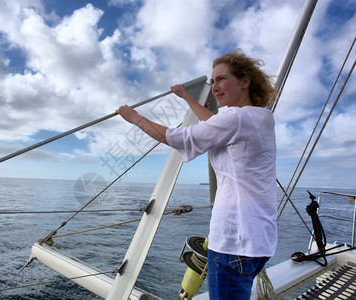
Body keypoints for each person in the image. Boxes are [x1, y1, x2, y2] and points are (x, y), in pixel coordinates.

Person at [116, 49, 278, 299]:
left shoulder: (235, 119)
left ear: (245, 81)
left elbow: (175, 137)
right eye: (213, 81)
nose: (214, 86)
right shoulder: (260, 117)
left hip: (234, 242)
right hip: (258, 241)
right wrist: (186, 97)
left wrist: (134, 118)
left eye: (222, 79)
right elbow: (213, 124)